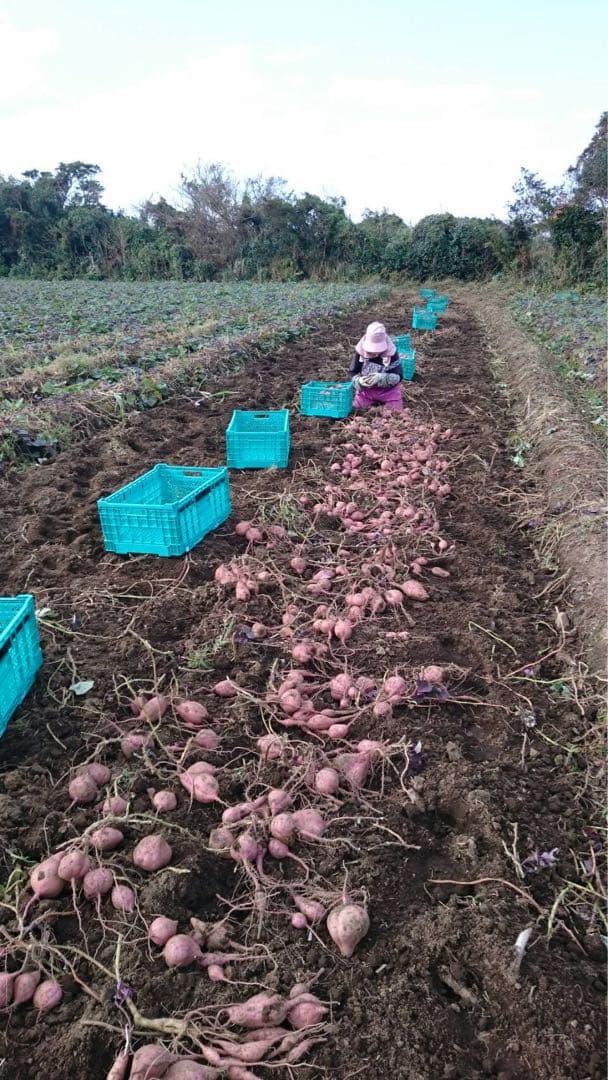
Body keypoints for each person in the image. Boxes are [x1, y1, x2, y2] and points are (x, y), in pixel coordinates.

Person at [349, 321, 403, 411]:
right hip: (367, 391)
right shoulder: (361, 352)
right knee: (356, 408)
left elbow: (399, 376)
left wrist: (382, 378)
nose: (375, 353)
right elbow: (352, 372)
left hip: (388, 391)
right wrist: (360, 381)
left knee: (395, 411)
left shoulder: (391, 353)